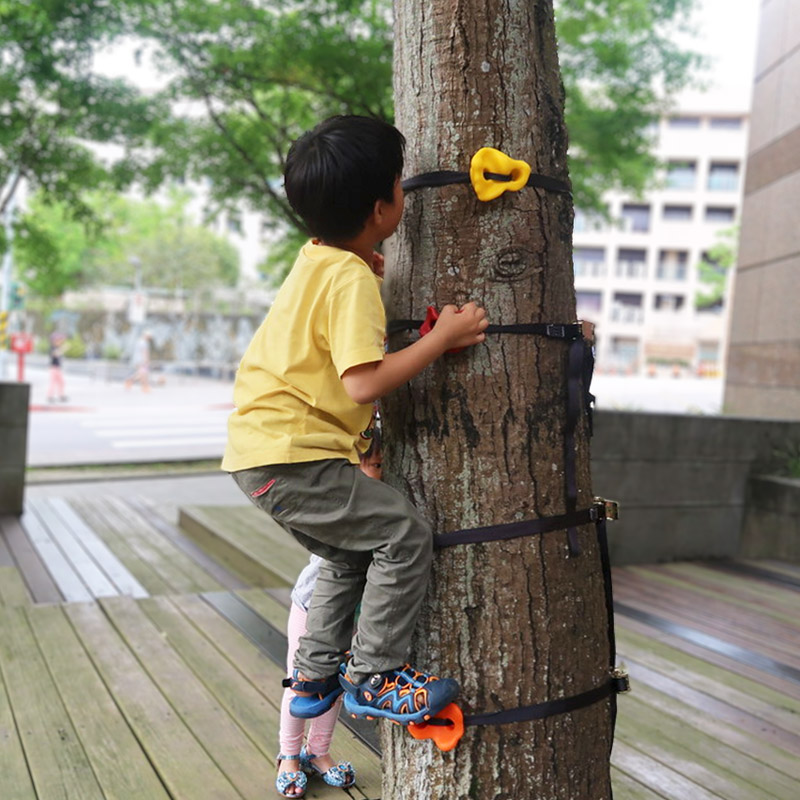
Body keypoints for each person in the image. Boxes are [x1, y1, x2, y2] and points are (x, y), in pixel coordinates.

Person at [222, 115, 487, 739]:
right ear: (381, 207)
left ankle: (313, 676)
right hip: (294, 457)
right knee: (402, 533)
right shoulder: (350, 280)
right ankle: (375, 676)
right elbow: (362, 383)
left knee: (347, 553)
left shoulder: (321, 260)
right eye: (400, 185)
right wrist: (443, 337)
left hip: (262, 457)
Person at [275, 432, 382, 798]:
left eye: (381, 466)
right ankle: (288, 755)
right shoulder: (343, 506)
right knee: (302, 681)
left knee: (334, 688)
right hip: (313, 609)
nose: (375, 474)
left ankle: (318, 752)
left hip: (354, 617)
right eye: (370, 466)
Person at [46, 332, 67, 402]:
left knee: (61, 382)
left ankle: (61, 395)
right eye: (58, 340)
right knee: (52, 382)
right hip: (53, 368)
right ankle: (50, 396)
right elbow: (55, 354)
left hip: (58, 368)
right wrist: (62, 349)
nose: (60, 342)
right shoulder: (52, 348)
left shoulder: (58, 347)